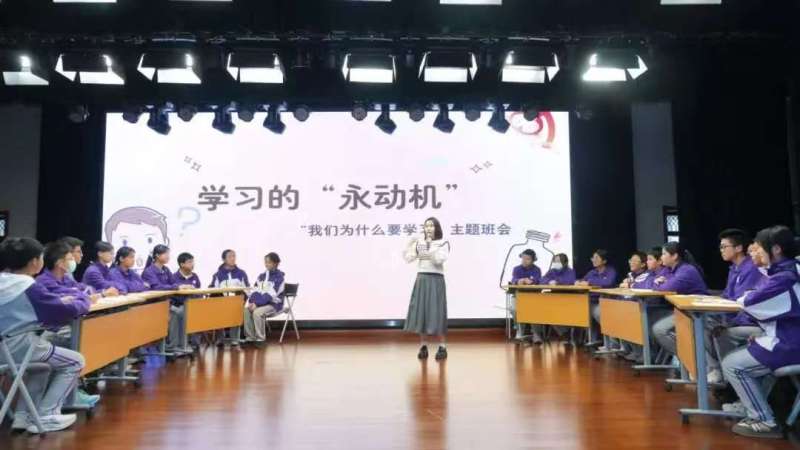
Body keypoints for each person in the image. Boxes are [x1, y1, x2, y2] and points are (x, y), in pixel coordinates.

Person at [0, 238, 89, 433]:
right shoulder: (27, 286)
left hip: (6, 350)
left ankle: (23, 417)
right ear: (34, 261)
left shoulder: (5, 281)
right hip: (18, 347)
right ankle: (47, 415)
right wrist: (83, 300)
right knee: (75, 361)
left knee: (42, 367)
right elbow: (62, 311)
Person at [722, 225, 800, 439]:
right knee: (749, 348)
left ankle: (764, 420)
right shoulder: (791, 269)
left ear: (775, 249)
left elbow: (750, 301)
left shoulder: (784, 277)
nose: (754, 252)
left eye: (758, 248)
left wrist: (748, 297)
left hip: (791, 342)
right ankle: (750, 406)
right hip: (788, 335)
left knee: (732, 364)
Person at [705, 229, 766, 385]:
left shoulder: (751, 269)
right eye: (720, 247)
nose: (721, 250)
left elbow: (742, 304)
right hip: (735, 318)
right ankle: (716, 369)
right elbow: (727, 296)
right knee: (699, 323)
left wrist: (727, 323)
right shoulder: (734, 268)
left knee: (714, 330)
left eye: (724, 246)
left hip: (750, 322)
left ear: (738, 248)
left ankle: (725, 377)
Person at [651, 242, 709, 358]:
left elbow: (664, 288)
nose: (661, 257)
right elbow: (655, 282)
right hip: (682, 310)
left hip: (698, 312)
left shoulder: (687, 270)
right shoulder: (668, 269)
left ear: (674, 256)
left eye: (664, 254)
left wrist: (660, 284)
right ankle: (691, 360)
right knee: (652, 318)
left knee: (660, 330)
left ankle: (694, 360)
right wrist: (658, 283)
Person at [403, 217, 450, 361]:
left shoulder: (443, 243)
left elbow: (438, 260)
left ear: (437, 228)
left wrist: (429, 246)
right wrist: (410, 244)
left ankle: (442, 346)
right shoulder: (420, 243)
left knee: (437, 312)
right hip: (422, 278)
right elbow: (408, 258)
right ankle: (423, 346)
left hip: (436, 279)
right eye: (426, 226)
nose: (428, 228)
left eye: (431, 225)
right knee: (421, 312)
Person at [142, 245, 192, 353]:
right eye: (166, 254)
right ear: (157, 255)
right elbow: (156, 287)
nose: (168, 256)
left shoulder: (166, 269)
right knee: (176, 313)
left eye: (168, 254)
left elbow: (174, 283)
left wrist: (182, 285)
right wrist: (176, 287)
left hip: (166, 303)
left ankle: (182, 344)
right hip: (154, 305)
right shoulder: (149, 271)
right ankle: (171, 346)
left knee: (183, 312)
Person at [209, 249, 250, 346]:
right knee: (217, 308)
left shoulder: (241, 273)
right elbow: (213, 290)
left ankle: (234, 338)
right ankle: (220, 338)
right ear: (224, 259)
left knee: (236, 308)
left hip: (237, 302)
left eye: (234, 256)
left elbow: (247, 289)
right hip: (222, 302)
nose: (233, 258)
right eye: (230, 256)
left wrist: (242, 298)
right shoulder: (218, 274)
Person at [243, 253, 286, 345]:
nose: (266, 264)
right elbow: (255, 290)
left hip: (274, 304)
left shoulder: (279, 278)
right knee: (246, 310)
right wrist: (252, 302)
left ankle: (260, 339)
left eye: (269, 262)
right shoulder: (261, 276)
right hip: (261, 303)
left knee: (257, 312)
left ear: (276, 263)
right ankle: (250, 337)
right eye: (265, 262)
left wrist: (257, 304)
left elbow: (271, 294)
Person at [509, 249, 543, 343]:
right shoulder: (516, 268)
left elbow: (538, 280)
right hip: (519, 295)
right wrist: (518, 281)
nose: (524, 261)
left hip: (533, 296)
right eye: (523, 258)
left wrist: (531, 281)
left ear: (533, 260)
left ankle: (536, 333)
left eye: (527, 259)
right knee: (514, 310)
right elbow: (514, 279)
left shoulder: (537, 269)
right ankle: (519, 331)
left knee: (535, 310)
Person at [172, 252, 202, 352]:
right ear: (182, 264)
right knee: (183, 312)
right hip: (180, 305)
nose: (192, 264)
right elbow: (173, 296)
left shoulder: (195, 276)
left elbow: (199, 292)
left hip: (194, 305)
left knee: (201, 311)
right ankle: (183, 344)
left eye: (193, 262)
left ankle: (195, 343)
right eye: (189, 262)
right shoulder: (174, 277)